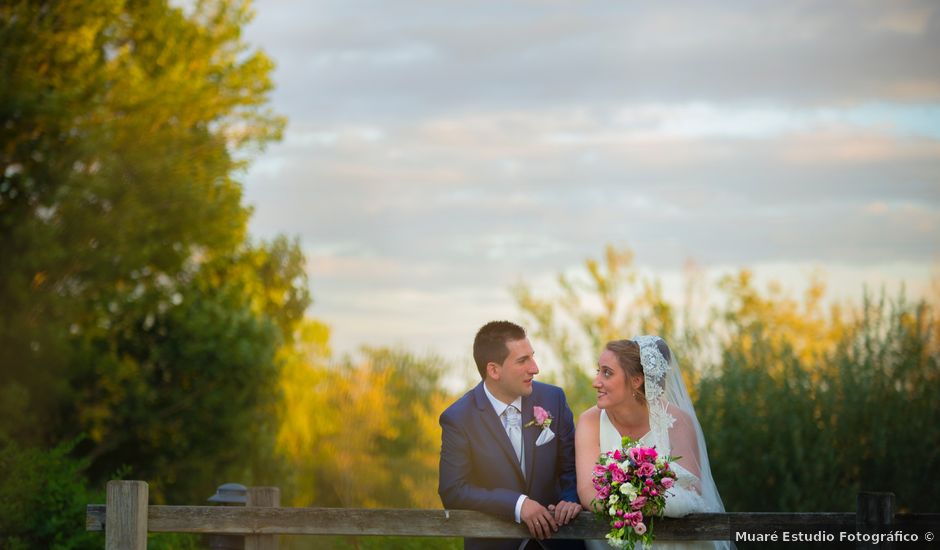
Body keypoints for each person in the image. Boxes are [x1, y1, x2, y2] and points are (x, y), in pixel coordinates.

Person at [439, 321, 585, 550]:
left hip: (558, 541)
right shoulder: (458, 418)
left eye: (532, 357)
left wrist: (570, 499)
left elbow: (571, 469)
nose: (535, 368)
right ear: (494, 370)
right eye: (522, 361)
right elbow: (453, 491)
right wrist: (518, 505)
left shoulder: (554, 399)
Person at [575, 336, 730, 550]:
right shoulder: (589, 421)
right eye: (598, 370)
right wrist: (626, 506)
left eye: (607, 372)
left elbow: (692, 491)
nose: (596, 382)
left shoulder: (678, 421)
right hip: (613, 539)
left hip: (672, 541)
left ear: (636, 381)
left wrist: (646, 500)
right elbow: (587, 490)